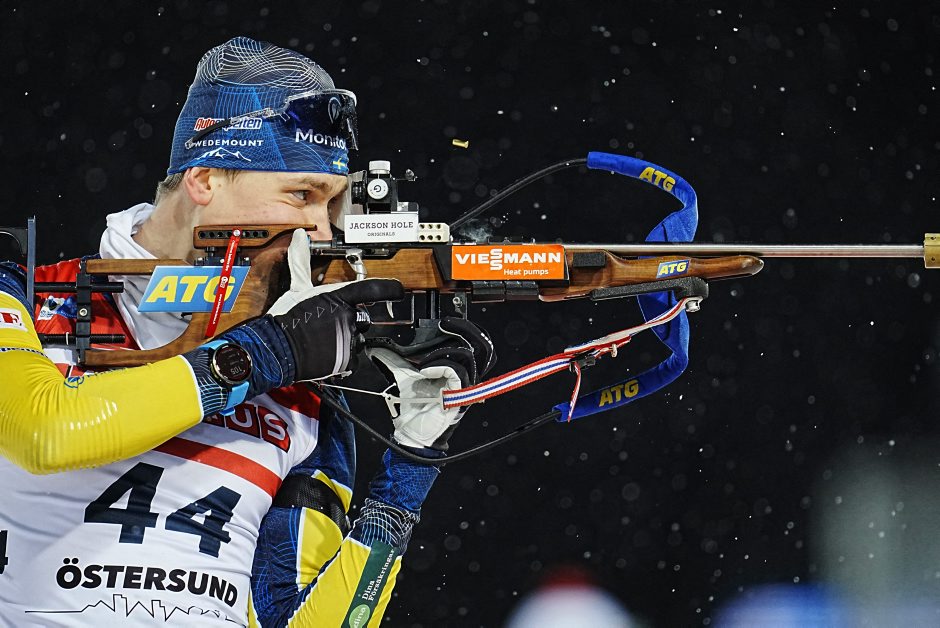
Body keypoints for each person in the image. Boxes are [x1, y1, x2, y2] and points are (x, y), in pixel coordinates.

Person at [0, 36, 493, 627]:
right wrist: (269, 350)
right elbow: (46, 432)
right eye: (302, 194)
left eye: (333, 205)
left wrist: (411, 463)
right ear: (205, 179)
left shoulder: (304, 391)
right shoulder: (21, 296)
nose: (321, 229)